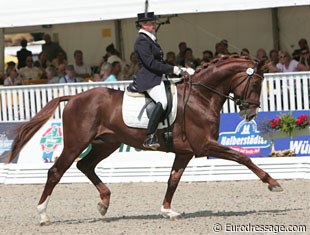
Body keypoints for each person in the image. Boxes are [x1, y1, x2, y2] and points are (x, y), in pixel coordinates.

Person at [134, 12, 186, 150]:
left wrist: (177, 69)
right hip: (149, 79)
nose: (154, 25)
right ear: (144, 25)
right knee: (162, 101)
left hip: (158, 77)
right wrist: (173, 69)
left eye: (153, 23)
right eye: (151, 23)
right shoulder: (141, 41)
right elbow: (150, 63)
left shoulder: (150, 39)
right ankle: (150, 136)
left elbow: (159, 61)